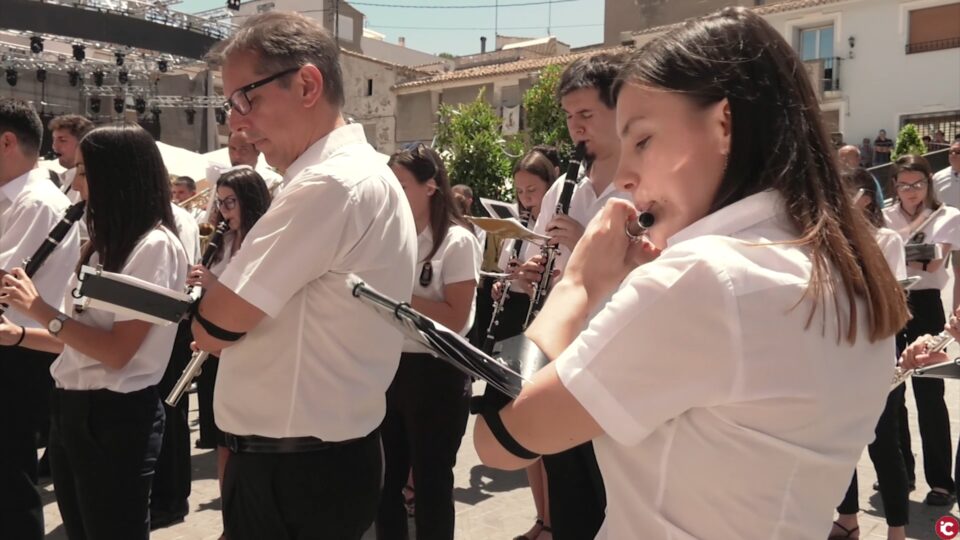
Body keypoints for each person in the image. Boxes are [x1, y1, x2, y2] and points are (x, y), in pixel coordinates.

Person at [472, 7, 908, 538]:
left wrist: (579, 284)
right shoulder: (850, 273)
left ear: (724, 123)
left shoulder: (706, 277)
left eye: (643, 140)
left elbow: (499, 439)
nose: (627, 177)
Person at [191, 12, 417, 539]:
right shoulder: (355, 175)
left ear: (308, 84)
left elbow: (216, 326)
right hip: (313, 464)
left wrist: (209, 311)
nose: (237, 122)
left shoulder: (328, 184)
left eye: (247, 98)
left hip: (294, 474)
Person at [0, 123, 189, 539]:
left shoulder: (154, 247)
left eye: (84, 172)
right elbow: (79, 338)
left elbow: (118, 352)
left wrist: (39, 308)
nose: (76, 184)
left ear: (116, 176)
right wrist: (17, 334)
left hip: (115, 418)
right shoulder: (105, 245)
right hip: (73, 410)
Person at [513, 51, 629, 540]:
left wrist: (583, 242)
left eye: (587, 115)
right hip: (566, 358)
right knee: (568, 487)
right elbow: (546, 261)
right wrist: (532, 272)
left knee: (615, 494)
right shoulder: (565, 186)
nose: (575, 129)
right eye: (569, 117)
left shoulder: (645, 185)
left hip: (621, 360)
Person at [375, 144, 481, 540]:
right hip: (389, 367)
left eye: (401, 185)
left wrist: (394, 295)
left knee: (433, 486)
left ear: (431, 186)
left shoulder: (457, 240)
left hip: (435, 373)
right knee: (385, 485)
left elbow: (456, 317)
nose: (392, 194)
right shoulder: (389, 238)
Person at [0, 99, 81, 540]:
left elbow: (6, 279)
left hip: (21, 350)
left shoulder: (35, 202)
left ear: (7, 141)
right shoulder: (16, 199)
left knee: (10, 477)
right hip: (14, 342)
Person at [185, 165, 271, 536]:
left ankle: (249, 517)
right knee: (222, 437)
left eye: (230, 203)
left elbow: (249, 298)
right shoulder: (223, 241)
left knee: (247, 441)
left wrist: (213, 281)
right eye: (219, 204)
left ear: (249, 200)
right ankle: (230, 519)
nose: (223, 213)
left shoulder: (263, 241)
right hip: (217, 347)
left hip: (250, 350)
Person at [831, 168, 910, 540]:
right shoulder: (826, 240)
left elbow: (894, 296)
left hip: (878, 351)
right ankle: (848, 519)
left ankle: (896, 528)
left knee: (883, 443)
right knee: (839, 441)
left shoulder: (887, 239)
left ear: (868, 196)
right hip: (836, 351)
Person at [882, 154, 960, 508]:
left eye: (918, 184)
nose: (911, 192)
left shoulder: (948, 217)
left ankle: (941, 482)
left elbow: (937, 260)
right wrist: (919, 254)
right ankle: (900, 473)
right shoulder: (883, 216)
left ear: (929, 183)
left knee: (930, 396)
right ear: (894, 186)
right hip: (891, 304)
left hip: (928, 305)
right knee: (891, 393)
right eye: (904, 185)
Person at [492, 148, 559, 540]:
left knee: (543, 426)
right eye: (520, 191)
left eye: (532, 190)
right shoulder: (517, 231)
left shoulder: (555, 229)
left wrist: (537, 279)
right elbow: (508, 277)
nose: (525, 199)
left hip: (545, 324)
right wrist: (506, 283)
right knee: (524, 431)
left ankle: (554, 521)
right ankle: (541, 517)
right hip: (518, 321)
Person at [933, 141, 960, 311]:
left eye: (957, 152)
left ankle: (956, 316)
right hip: (941, 233)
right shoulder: (938, 177)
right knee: (935, 273)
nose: (953, 155)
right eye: (951, 152)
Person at [48, 114, 94, 200]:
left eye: (62, 140)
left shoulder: (87, 186)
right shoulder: (65, 179)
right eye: (54, 139)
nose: (54, 146)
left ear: (83, 143)